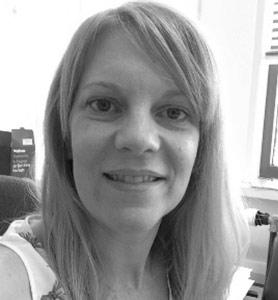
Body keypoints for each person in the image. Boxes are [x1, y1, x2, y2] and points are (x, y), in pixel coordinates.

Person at [0, 1, 249, 299]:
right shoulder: (12, 278)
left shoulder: (201, 275)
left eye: (173, 112)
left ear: (202, 149)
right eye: (103, 105)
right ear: (65, 134)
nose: (139, 138)